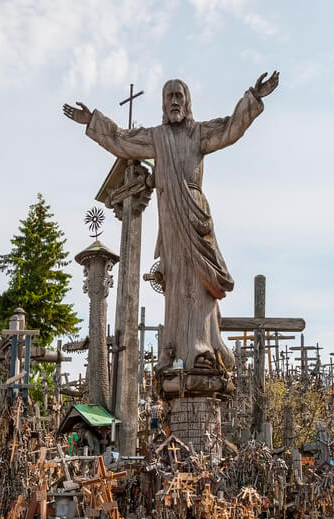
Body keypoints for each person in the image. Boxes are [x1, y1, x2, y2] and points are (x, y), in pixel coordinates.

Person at [64, 72, 279, 373]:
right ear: (163, 105)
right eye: (170, 97)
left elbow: (231, 128)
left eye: (180, 96)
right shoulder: (156, 137)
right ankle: (177, 346)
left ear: (188, 102)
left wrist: (253, 99)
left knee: (201, 283)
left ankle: (204, 344)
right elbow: (121, 141)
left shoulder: (199, 133)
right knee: (176, 282)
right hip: (170, 218)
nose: (175, 101)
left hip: (195, 215)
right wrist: (92, 121)